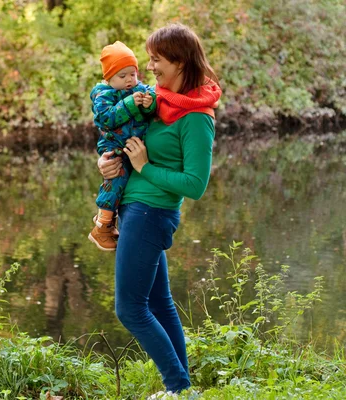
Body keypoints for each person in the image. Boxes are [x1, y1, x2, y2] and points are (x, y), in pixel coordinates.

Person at [97, 24, 222, 396]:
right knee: (159, 303)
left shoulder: (197, 118)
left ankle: (177, 386)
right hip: (136, 207)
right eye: (149, 59)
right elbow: (122, 139)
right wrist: (107, 165)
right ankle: (183, 390)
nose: (150, 67)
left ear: (180, 61)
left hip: (152, 213)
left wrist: (145, 168)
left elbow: (195, 185)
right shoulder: (157, 100)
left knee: (130, 309)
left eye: (157, 60)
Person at [89, 41, 156, 252]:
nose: (130, 80)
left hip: (134, 147)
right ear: (109, 78)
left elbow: (153, 97)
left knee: (123, 184)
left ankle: (109, 221)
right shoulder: (103, 95)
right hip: (115, 147)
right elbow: (106, 119)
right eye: (123, 75)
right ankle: (103, 226)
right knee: (115, 179)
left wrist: (149, 102)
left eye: (133, 74)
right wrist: (128, 104)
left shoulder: (139, 89)